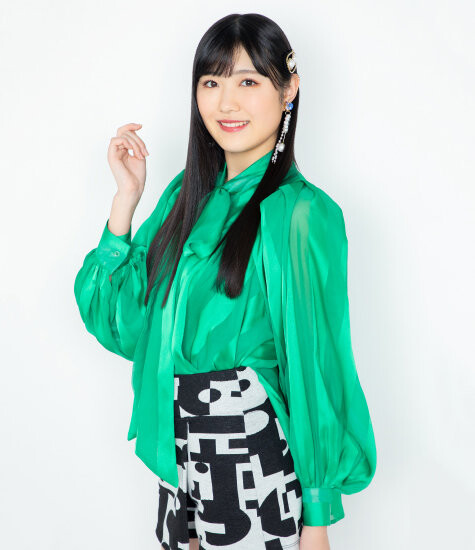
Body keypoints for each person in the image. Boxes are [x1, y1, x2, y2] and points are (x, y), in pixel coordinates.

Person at [74, 13, 377, 550]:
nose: (226, 103)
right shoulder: (185, 197)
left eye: (248, 82)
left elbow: (316, 366)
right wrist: (126, 200)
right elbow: (126, 326)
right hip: (177, 454)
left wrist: (317, 515)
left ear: (288, 90)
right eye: (211, 82)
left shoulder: (300, 214)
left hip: (249, 449)